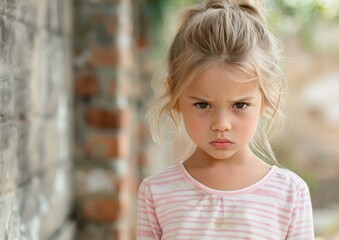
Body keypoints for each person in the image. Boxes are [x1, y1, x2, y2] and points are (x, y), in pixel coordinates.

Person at [137, 0, 314, 239]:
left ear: (266, 96)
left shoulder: (290, 193)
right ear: (175, 94)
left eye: (240, 105)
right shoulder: (157, 192)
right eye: (203, 105)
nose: (221, 124)